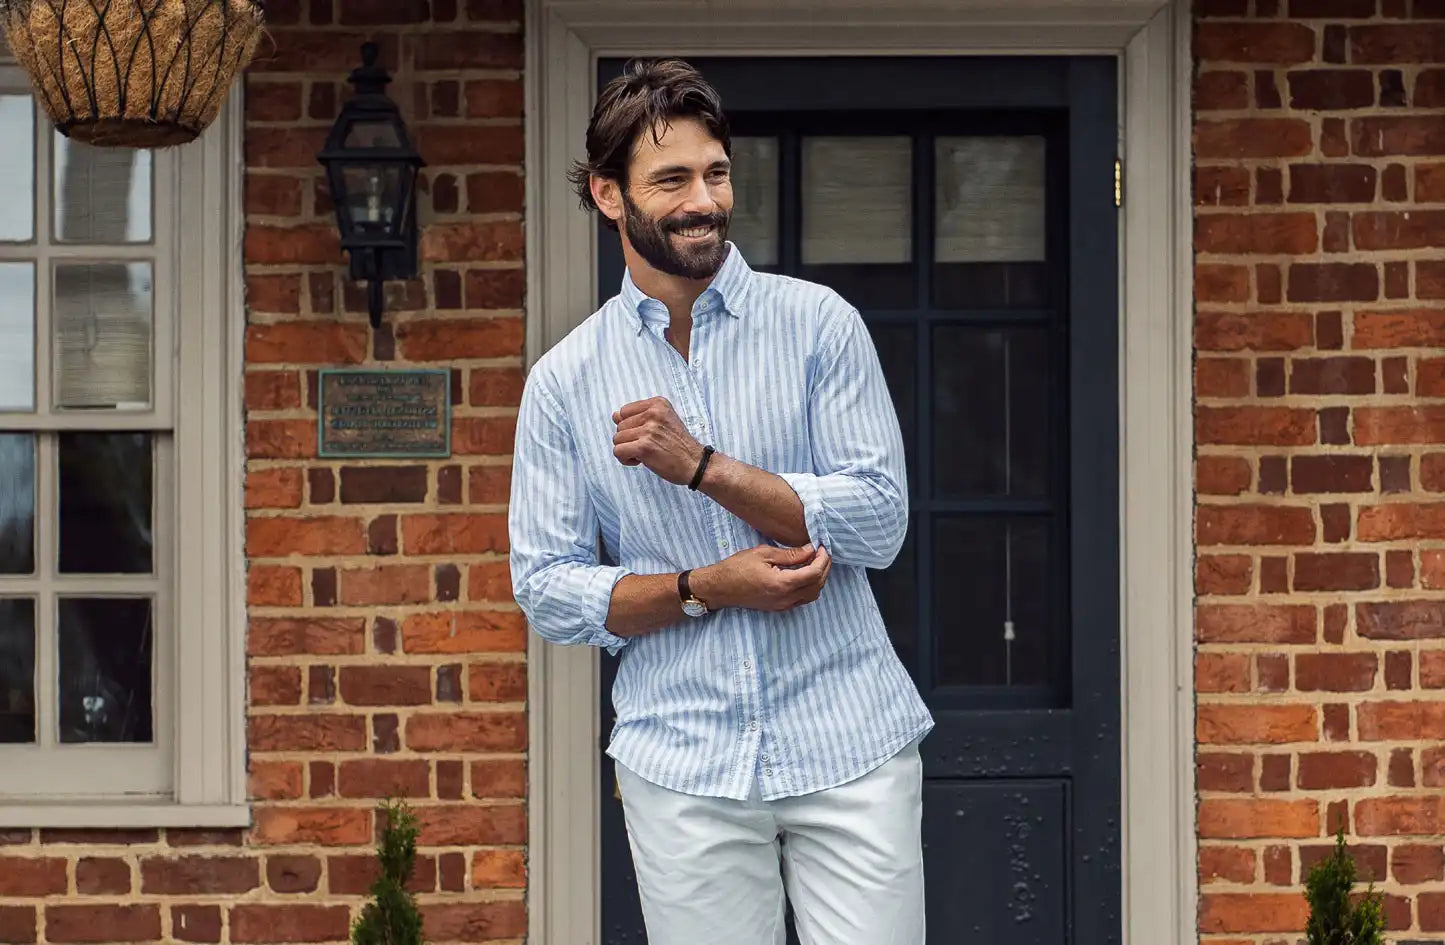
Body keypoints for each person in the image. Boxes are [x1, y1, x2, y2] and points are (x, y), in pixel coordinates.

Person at [508, 56, 934, 945]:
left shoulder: (818, 325)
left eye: (716, 173)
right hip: (681, 760)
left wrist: (702, 466)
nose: (704, 200)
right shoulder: (564, 381)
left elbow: (878, 521)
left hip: (849, 738)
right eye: (672, 180)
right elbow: (546, 588)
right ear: (608, 195)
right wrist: (705, 587)